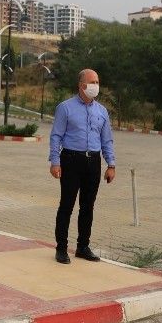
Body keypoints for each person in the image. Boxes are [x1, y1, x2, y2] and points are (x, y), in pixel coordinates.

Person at [48, 69, 117, 264]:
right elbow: (56, 136)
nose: (95, 86)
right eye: (92, 82)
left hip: (93, 162)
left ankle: (83, 246)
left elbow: (107, 140)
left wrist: (111, 164)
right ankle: (61, 248)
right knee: (67, 205)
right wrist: (55, 162)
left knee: (88, 206)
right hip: (71, 160)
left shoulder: (102, 111)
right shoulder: (65, 108)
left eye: (97, 82)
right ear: (81, 85)